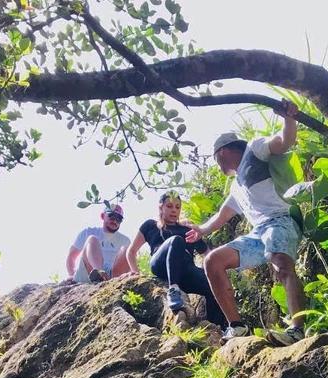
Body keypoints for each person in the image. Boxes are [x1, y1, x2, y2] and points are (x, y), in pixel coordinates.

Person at [185, 101, 306, 345]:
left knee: (281, 264)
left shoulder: (254, 149)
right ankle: (237, 326)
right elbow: (219, 219)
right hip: (257, 234)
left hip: (281, 220)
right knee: (213, 260)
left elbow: (284, 141)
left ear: (222, 152)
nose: (218, 166)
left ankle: (297, 329)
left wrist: (289, 118)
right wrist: (200, 230)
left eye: (216, 159)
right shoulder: (236, 188)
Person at [125, 192, 226, 328]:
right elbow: (131, 251)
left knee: (215, 282)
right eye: (169, 206)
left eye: (177, 207)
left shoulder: (187, 229)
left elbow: (207, 254)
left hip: (186, 271)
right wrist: (135, 272)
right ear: (161, 208)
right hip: (160, 265)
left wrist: (218, 268)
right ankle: (173, 291)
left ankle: (216, 327)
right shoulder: (150, 225)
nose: (174, 210)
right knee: (176, 241)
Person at [66, 204, 131, 283]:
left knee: (127, 249)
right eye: (112, 216)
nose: (115, 221)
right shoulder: (87, 232)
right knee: (92, 239)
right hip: (88, 271)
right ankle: (98, 273)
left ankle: (113, 282)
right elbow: (71, 256)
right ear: (102, 216)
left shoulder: (125, 240)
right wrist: (71, 274)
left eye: (119, 219)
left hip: (111, 276)